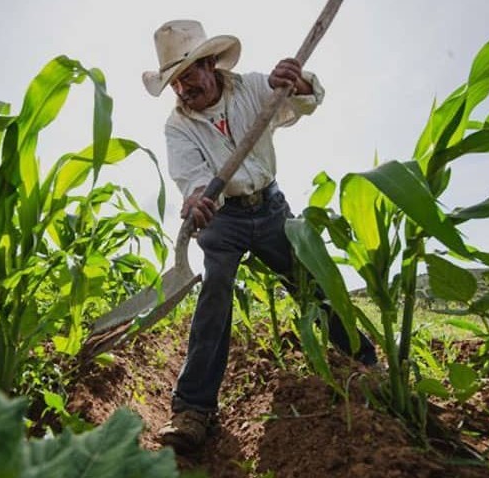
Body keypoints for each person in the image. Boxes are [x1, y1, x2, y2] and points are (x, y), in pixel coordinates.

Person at [142, 19, 378, 454]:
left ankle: (366, 364)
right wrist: (197, 200)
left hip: (269, 208)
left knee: (310, 285)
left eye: (188, 75)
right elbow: (191, 177)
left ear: (210, 63)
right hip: (223, 220)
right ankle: (192, 410)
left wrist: (297, 81)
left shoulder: (251, 88)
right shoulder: (178, 126)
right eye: (174, 81)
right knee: (214, 294)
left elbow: (303, 103)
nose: (182, 88)